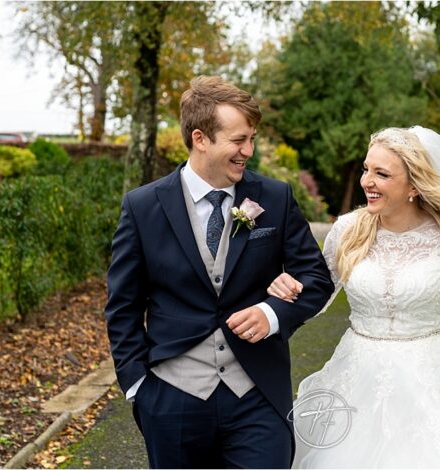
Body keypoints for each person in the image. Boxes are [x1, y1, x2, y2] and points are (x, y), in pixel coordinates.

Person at [267, 126, 440, 468]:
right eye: (366, 169)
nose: (366, 182)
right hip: (358, 375)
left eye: (381, 174)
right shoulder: (347, 230)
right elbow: (320, 296)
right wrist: (287, 290)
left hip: (432, 382)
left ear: (414, 186)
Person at [104, 75, 334, 469]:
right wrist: (138, 387)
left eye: (253, 139)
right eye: (239, 140)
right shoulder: (142, 207)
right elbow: (122, 305)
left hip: (258, 395)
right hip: (172, 399)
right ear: (200, 138)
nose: (249, 150)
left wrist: (272, 313)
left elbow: (316, 279)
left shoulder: (275, 198)